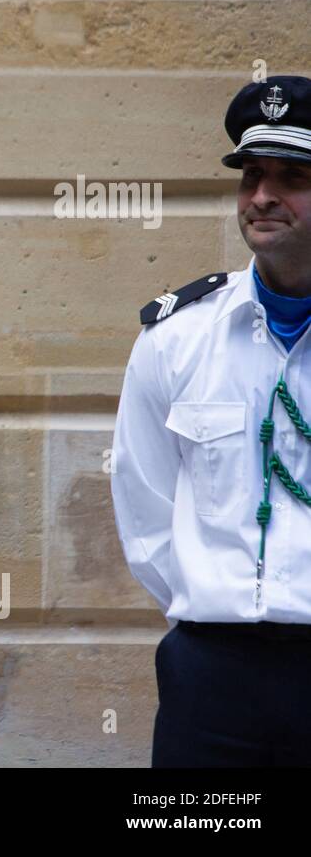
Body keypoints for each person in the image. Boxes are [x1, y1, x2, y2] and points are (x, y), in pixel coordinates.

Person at [111, 75, 311, 767]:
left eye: (292, 178)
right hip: (212, 675)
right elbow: (145, 507)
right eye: (252, 176)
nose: (262, 197)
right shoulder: (178, 337)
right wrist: (217, 604)